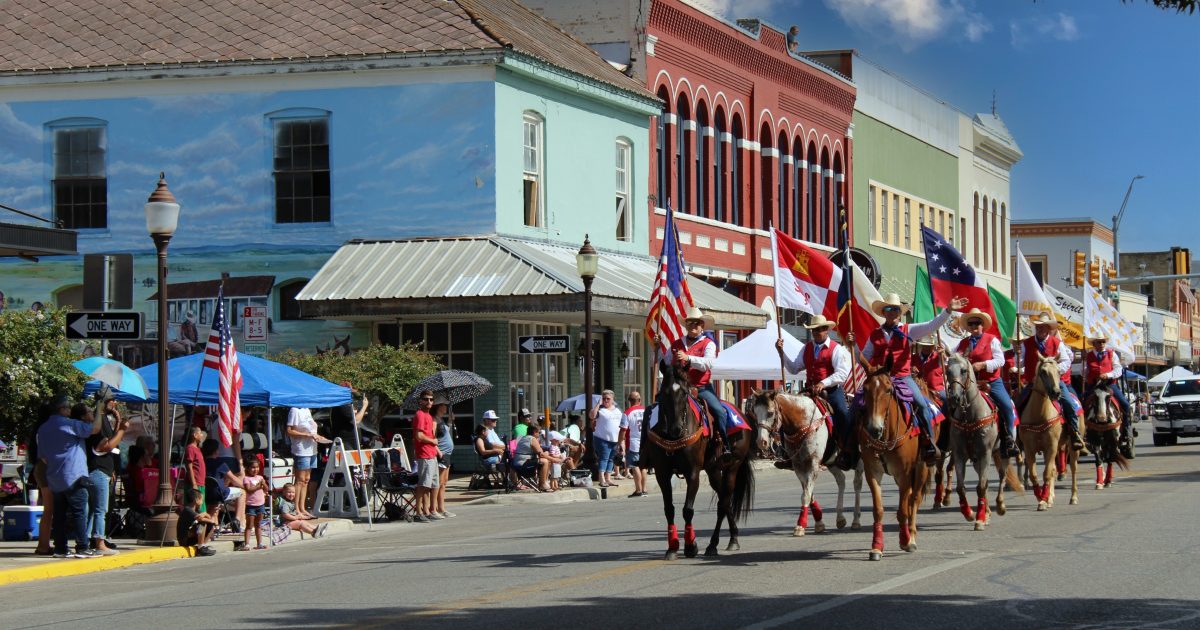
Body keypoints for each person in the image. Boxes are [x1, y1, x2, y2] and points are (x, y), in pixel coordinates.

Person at [848, 294, 967, 464]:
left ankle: (930, 444)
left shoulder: (909, 330)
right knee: (854, 406)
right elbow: (864, 357)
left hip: (902, 377)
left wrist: (947, 310)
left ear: (900, 313)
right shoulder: (875, 334)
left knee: (923, 405)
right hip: (881, 379)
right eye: (889, 309)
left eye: (896, 309)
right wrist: (852, 346)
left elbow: (931, 325)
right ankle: (849, 448)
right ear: (884, 312)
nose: (893, 312)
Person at [775, 314, 854, 468]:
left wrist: (823, 383)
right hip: (810, 391)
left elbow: (842, 373)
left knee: (843, 413)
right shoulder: (807, 348)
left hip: (831, 391)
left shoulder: (836, 349)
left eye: (820, 329)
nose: (817, 332)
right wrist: (781, 353)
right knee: (788, 412)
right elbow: (793, 368)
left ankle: (846, 451)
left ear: (827, 330)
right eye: (814, 330)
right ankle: (788, 454)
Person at [667, 306, 737, 458]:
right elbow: (664, 363)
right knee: (655, 409)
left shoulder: (708, 344)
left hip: (701, 388)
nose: (693, 326)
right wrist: (656, 349)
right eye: (690, 323)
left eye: (697, 323)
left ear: (702, 326)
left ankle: (724, 444)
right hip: (679, 388)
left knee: (719, 412)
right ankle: (650, 449)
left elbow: (708, 363)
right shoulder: (676, 344)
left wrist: (688, 358)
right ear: (685, 325)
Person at [38, 398, 104, 559]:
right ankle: (82, 547)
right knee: (79, 512)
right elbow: (95, 428)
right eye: (67, 407)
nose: (70, 410)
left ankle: (60, 547)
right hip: (74, 474)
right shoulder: (68, 424)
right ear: (62, 409)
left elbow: (43, 457)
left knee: (59, 514)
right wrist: (99, 410)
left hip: (54, 476)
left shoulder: (43, 428)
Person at [953, 308, 1019, 457]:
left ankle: (1009, 440)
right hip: (969, 384)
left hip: (991, 382)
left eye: (977, 323)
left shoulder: (992, 340)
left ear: (982, 325)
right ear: (968, 327)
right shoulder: (962, 343)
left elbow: (1000, 360)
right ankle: (950, 440)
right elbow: (953, 359)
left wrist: (983, 365)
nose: (974, 326)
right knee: (950, 405)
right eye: (971, 323)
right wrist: (943, 354)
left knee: (1007, 406)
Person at [1017, 312, 1083, 449]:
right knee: (1017, 405)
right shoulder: (1026, 343)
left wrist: (1053, 371)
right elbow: (1020, 363)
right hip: (1034, 384)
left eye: (1044, 326)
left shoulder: (1057, 343)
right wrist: (1017, 359)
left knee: (1069, 403)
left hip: (1055, 383)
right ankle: (1017, 437)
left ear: (1048, 329)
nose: (1040, 329)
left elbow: (1066, 362)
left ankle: (1074, 433)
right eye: (1038, 326)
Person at [85, 397, 128, 555]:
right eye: (112, 400)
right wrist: (123, 429)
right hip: (98, 470)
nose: (115, 403)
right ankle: (99, 542)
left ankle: (86, 541)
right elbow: (106, 446)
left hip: (103, 471)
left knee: (93, 510)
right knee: (100, 510)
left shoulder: (103, 419)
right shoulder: (99, 421)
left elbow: (111, 441)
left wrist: (117, 424)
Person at [1084, 334, 1134, 455]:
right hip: (1094, 385)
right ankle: (1083, 432)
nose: (1101, 345)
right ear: (1094, 344)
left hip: (1109, 384)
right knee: (1081, 405)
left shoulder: (1112, 354)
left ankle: (1126, 431)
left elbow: (1118, 370)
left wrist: (1108, 375)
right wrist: (1086, 375)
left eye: (1102, 342)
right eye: (1098, 342)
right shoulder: (1089, 356)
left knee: (1125, 405)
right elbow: (1085, 371)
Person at [287, 406, 329, 518]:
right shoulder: (294, 410)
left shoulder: (307, 410)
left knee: (306, 480)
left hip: (312, 449)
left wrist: (317, 436)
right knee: (300, 480)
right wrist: (306, 435)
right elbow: (289, 430)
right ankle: (296, 509)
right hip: (301, 449)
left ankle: (302, 508)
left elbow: (311, 428)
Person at [201, 439, 246, 532]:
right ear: (216, 451)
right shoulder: (220, 463)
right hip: (219, 494)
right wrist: (246, 486)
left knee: (214, 506)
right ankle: (237, 520)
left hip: (206, 494)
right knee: (242, 493)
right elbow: (234, 480)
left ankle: (211, 528)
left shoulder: (203, 463)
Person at [412, 390, 441, 522]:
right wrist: (432, 441)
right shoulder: (419, 415)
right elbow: (419, 436)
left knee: (434, 484)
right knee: (423, 485)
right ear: (420, 401)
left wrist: (436, 447)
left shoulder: (429, 417)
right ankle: (418, 512)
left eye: (431, 399)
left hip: (432, 454)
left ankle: (431, 510)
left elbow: (431, 436)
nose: (429, 401)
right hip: (424, 455)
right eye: (426, 399)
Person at [590, 390, 625, 488]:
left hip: (615, 439)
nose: (606, 400)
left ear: (612, 399)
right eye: (604, 398)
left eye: (608, 399)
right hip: (602, 438)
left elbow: (622, 424)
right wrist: (598, 404)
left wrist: (621, 441)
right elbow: (591, 416)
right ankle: (602, 479)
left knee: (611, 459)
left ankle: (608, 478)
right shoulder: (600, 409)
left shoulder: (618, 410)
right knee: (604, 458)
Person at [175, 489, 217, 556]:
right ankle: (201, 548)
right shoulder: (188, 510)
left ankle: (203, 545)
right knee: (202, 524)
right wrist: (211, 521)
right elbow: (200, 519)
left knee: (211, 526)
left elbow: (208, 518)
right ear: (196, 500)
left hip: (191, 537)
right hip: (184, 539)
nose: (202, 502)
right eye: (201, 499)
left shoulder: (197, 510)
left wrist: (205, 514)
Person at [432, 403, 456, 520]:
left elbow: (445, 432)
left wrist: (450, 421)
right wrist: (438, 451)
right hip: (441, 453)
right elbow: (432, 437)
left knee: (444, 482)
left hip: (448, 454)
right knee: (440, 482)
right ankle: (437, 508)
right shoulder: (434, 420)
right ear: (438, 407)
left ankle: (442, 508)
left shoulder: (441, 419)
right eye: (443, 405)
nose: (446, 407)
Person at [621, 392, 647, 498]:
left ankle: (638, 490)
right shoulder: (646, 411)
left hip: (633, 443)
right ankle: (644, 489)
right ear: (639, 400)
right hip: (645, 442)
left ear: (629, 401)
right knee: (643, 466)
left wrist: (619, 442)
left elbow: (623, 430)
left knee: (635, 466)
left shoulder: (627, 413)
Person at [512, 424, 553, 492]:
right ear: (534, 432)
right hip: (523, 466)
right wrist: (553, 458)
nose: (539, 434)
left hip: (516, 465)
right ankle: (542, 484)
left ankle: (545, 482)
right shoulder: (532, 439)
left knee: (547, 461)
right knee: (545, 461)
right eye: (539, 432)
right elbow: (541, 454)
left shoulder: (523, 438)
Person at [241, 456, 269, 550]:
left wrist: (264, 483)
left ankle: (259, 543)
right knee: (249, 525)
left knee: (258, 525)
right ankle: (247, 544)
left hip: (260, 504)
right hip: (251, 505)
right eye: (253, 467)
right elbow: (249, 490)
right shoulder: (246, 479)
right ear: (247, 468)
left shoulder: (260, 477)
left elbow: (266, 489)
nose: (255, 469)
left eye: (257, 467)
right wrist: (258, 486)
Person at [330, 381, 369, 446]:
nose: (350, 395)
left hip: (348, 444)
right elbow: (356, 420)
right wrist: (364, 406)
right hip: (345, 445)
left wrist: (357, 412)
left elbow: (349, 416)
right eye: (349, 392)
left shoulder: (342, 404)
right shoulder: (342, 404)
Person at [183, 426, 207, 514]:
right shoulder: (190, 448)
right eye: (200, 433)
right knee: (194, 509)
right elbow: (189, 467)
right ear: (195, 435)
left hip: (201, 483)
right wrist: (194, 484)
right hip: (195, 483)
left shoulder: (198, 449)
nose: (202, 435)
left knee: (201, 508)